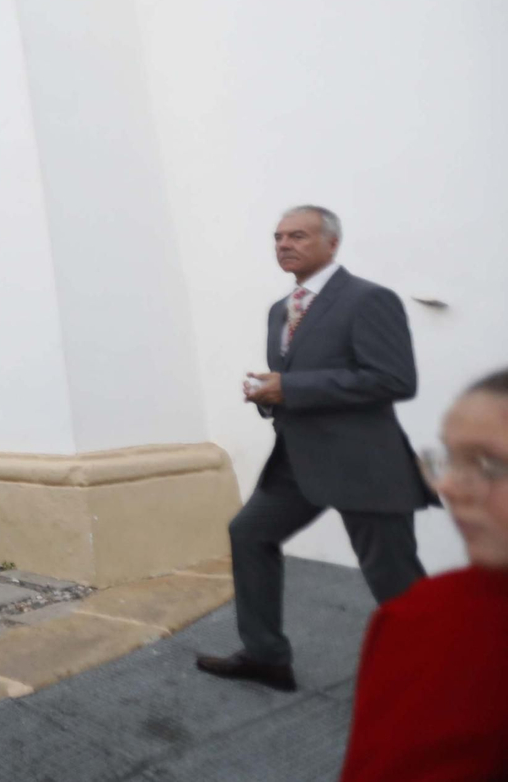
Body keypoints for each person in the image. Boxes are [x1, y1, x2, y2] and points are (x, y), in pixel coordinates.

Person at [197, 206, 434, 692]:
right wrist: (269, 397)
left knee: (396, 581)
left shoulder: (369, 299)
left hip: (365, 464)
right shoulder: (279, 311)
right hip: (298, 462)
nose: (284, 244)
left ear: (331, 244)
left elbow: (394, 379)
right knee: (249, 534)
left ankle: (443, 681)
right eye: (278, 237)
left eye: (298, 236)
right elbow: (292, 384)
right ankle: (266, 657)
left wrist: (294, 388)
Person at [340, 369, 508, 780]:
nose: (447, 486)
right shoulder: (431, 618)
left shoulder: (430, 621)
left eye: (488, 463)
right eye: (449, 458)